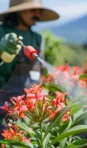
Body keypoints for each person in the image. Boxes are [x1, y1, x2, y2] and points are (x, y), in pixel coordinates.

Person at [0, 0, 59, 135]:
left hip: (29, 110)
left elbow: (39, 72)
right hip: (3, 105)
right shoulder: (2, 31)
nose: (37, 14)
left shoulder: (37, 38)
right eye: (32, 10)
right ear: (18, 11)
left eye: (39, 10)